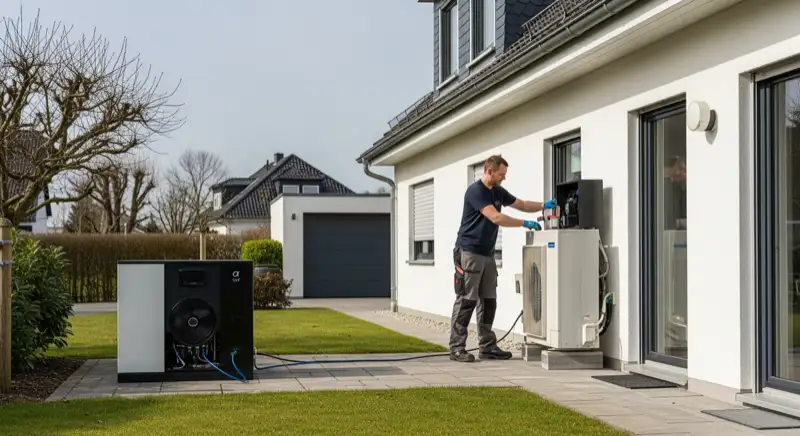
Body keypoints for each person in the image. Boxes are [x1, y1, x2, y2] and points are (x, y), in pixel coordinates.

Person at [449, 155, 556, 362]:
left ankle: (487, 346)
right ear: (489, 171)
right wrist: (524, 223)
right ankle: (457, 347)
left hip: (487, 254)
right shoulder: (475, 191)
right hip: (469, 252)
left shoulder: (497, 191)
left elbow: (521, 204)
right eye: (501, 174)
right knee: (467, 300)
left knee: (489, 300)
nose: (504, 178)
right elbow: (495, 217)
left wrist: (544, 205)